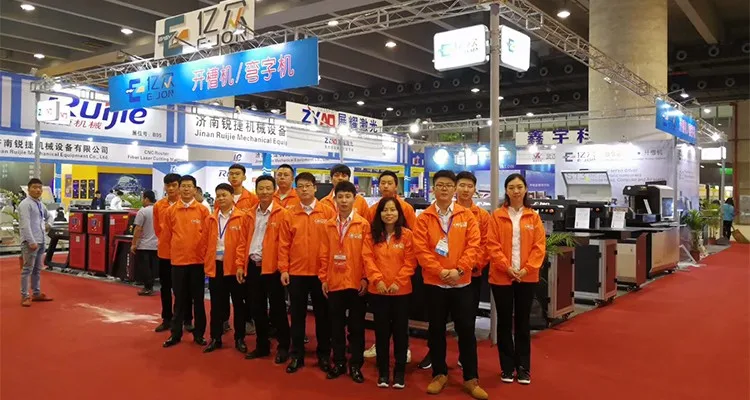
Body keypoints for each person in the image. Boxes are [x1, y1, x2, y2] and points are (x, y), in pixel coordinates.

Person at [413, 170, 486, 399]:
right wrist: (440, 271)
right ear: (433, 189)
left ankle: (471, 378)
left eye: (448, 185)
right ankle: (439, 373)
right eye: (440, 185)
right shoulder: (424, 218)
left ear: (454, 189)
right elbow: (420, 250)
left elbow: (473, 246)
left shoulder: (467, 216)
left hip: (462, 283)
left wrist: (460, 270)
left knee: (466, 331)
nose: (444, 189)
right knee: (436, 330)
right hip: (435, 284)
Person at [486, 173, 546, 386]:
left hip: (526, 277)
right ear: (506, 190)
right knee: (503, 322)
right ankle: (506, 366)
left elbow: (539, 247)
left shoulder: (533, 217)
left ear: (526, 189)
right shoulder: (497, 216)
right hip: (502, 276)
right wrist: (507, 267)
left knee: (522, 322)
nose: (516, 191)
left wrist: (526, 269)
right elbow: (492, 245)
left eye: (519, 187)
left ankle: (523, 367)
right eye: (511, 187)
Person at [318, 180, 374, 383]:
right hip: (334, 282)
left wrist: (365, 278)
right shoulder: (328, 225)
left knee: (356, 328)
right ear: (335, 200)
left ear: (354, 199)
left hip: (356, 283)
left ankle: (356, 365)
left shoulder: (363, 224)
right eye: (340, 197)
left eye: (347, 197)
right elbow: (323, 253)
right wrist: (323, 278)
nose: (343, 201)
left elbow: (368, 255)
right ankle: (339, 362)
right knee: (336, 326)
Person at [281, 172, 336, 374]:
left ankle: (324, 355)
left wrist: (329, 271)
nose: (304, 190)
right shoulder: (289, 214)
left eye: (308, 186)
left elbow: (333, 242)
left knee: (323, 316)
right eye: (301, 186)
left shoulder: (327, 211)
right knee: (297, 316)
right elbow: (283, 245)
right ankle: (297, 355)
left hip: (321, 274)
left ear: (315, 188)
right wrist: (284, 269)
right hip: (296, 273)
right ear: (296, 190)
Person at [363, 170, 417, 361]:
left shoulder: (406, 208)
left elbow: (413, 236)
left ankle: (404, 348)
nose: (386, 186)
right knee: (381, 322)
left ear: (396, 186)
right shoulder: (373, 209)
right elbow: (368, 245)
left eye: (389, 183)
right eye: (382, 183)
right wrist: (375, 278)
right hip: (378, 279)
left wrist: (399, 279)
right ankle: (380, 348)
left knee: (401, 322)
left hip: (400, 274)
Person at [242, 175, 292, 363]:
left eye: (268, 188)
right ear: (256, 190)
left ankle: (284, 346)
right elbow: (242, 242)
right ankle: (262, 345)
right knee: (257, 308)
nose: (264, 192)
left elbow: (285, 244)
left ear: (274, 191)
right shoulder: (249, 214)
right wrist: (240, 265)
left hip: (273, 269)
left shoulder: (283, 214)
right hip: (253, 267)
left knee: (278, 309)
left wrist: (284, 268)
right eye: (261, 188)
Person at [161, 175, 211, 348]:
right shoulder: (171, 211)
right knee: (179, 300)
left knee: (198, 300)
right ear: (179, 189)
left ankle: (199, 334)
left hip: (197, 262)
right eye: (183, 186)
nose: (186, 189)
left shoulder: (203, 210)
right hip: (178, 262)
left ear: (195, 189)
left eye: (190, 186)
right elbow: (166, 236)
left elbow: (208, 236)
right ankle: (175, 334)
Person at [201, 183, 249, 354]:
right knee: (216, 305)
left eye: (224, 195)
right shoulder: (211, 218)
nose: (221, 198)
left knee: (239, 304)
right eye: (218, 195)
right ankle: (216, 338)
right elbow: (204, 242)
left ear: (231, 197)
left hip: (235, 267)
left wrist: (241, 265)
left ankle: (239, 338)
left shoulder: (242, 217)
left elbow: (244, 244)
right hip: (216, 266)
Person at [153, 173, 193, 333]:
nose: (170, 188)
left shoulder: (186, 204)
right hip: (165, 253)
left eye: (174, 185)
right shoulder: (159, 206)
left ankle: (187, 319)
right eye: (167, 185)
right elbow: (158, 229)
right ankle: (167, 319)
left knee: (185, 288)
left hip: (184, 255)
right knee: (165, 287)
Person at [225, 163, 260, 335]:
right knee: (224, 291)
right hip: (226, 252)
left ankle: (248, 321)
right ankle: (224, 320)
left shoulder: (252, 199)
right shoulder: (223, 198)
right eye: (231, 174)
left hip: (246, 251)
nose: (234, 177)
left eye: (237, 174)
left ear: (244, 177)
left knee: (246, 292)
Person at [18, 178, 53, 307]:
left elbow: (49, 216)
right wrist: (31, 241)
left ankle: (36, 293)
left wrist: (49, 224)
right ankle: (25, 296)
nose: (38, 190)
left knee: (37, 269)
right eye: (34, 187)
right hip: (30, 242)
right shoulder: (25, 204)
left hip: (41, 240)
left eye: (40, 187)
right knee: (27, 270)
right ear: (28, 189)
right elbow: (25, 225)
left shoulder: (40, 204)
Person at [131, 190, 158, 296]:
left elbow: (138, 228)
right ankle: (151, 286)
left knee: (145, 268)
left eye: (143, 198)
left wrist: (134, 244)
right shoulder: (159, 210)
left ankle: (148, 288)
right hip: (157, 245)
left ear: (146, 199)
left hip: (144, 245)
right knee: (153, 267)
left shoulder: (142, 211)